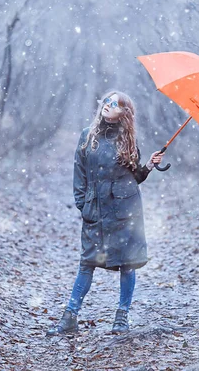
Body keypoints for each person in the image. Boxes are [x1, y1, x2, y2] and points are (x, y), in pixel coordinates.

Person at [47, 90, 164, 336]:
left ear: (125, 112)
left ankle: (122, 317)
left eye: (115, 104)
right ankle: (70, 317)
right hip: (96, 211)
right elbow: (79, 172)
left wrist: (150, 166)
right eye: (107, 102)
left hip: (126, 212)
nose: (108, 106)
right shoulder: (87, 137)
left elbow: (135, 177)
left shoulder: (128, 139)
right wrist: (83, 204)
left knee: (127, 264)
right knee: (87, 263)